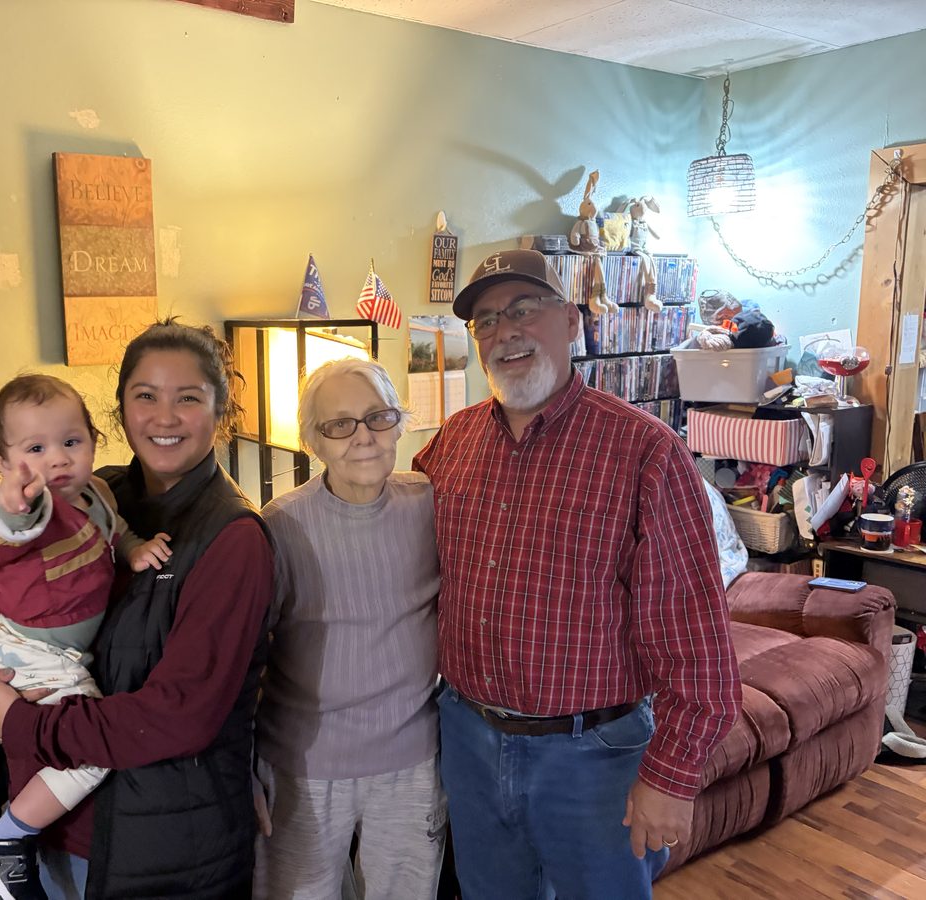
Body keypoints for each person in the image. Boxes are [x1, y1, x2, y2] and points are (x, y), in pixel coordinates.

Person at [413, 249, 742, 900]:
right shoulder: (451, 443)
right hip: (470, 740)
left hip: (595, 758)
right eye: (484, 319)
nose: (504, 330)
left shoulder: (645, 452)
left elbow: (695, 636)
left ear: (571, 322)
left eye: (523, 309)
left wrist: (671, 776)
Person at [0, 320, 275, 900]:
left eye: (189, 398)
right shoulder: (95, 495)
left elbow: (180, 714)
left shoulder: (233, 538)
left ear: (221, 410)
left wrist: (22, 725)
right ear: (120, 410)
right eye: (146, 396)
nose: (165, 417)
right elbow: (4, 590)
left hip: (161, 846)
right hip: (51, 826)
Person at [0, 373, 171, 899]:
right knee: (91, 751)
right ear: (4, 464)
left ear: (93, 441)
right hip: (35, 648)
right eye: (34, 449)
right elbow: (2, 535)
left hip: (30, 644)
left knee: (2, 712)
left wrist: (135, 548)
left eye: (71, 442)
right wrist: (11, 505)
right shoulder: (30, 508)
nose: (57, 459)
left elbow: (113, 530)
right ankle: (4, 838)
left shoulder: (94, 493)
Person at [253, 358, 445, 900]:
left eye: (377, 417)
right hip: (303, 767)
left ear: (400, 423)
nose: (362, 437)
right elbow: (248, 653)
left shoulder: (429, 504)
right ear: (314, 441)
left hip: (410, 761)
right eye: (338, 425)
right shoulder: (281, 525)